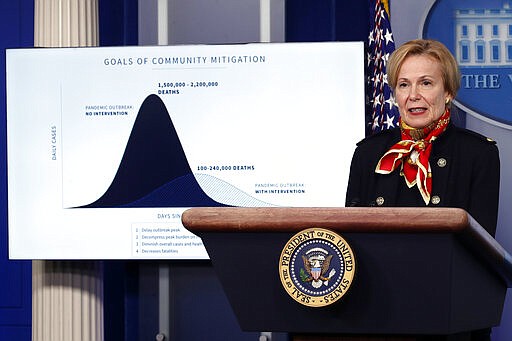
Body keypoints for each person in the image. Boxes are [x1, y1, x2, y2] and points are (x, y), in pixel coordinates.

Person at [345, 39, 500, 341]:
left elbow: (481, 252)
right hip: (378, 314)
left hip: (447, 316)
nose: (413, 96)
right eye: (403, 85)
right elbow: (352, 239)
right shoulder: (368, 153)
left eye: (426, 83)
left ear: (448, 92)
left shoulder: (478, 154)